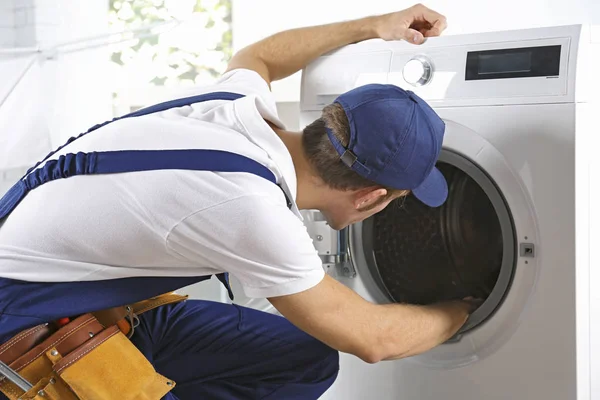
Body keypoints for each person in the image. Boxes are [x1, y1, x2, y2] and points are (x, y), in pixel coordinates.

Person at [0, 4, 479, 400]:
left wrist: (373, 26)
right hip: (22, 338)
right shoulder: (251, 207)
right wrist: (465, 307)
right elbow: (374, 339)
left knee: (304, 359)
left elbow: (261, 56)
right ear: (371, 196)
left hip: (82, 308)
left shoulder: (233, 106)